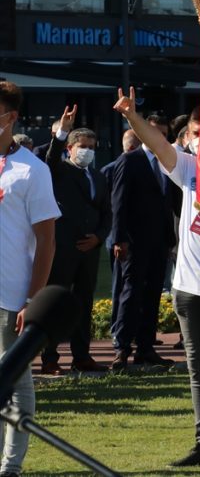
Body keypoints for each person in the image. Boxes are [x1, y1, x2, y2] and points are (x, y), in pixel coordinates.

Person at [113, 93, 200, 470]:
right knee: (198, 370)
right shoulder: (188, 167)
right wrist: (132, 116)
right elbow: (155, 144)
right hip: (188, 288)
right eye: (194, 134)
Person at [0, 82, 59, 477]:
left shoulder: (32, 170)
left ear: (10, 117)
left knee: (15, 385)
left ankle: (11, 466)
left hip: (11, 296)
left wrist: (31, 300)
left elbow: (47, 241)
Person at [39, 105, 111, 375]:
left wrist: (99, 237)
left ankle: (82, 356)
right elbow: (51, 158)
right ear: (70, 148)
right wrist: (62, 133)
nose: (88, 151)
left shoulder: (98, 176)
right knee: (56, 303)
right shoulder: (57, 171)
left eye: (92, 146)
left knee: (84, 303)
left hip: (89, 252)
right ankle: (49, 357)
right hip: (63, 250)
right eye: (82, 146)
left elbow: (106, 212)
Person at [109, 112, 180, 369]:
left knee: (152, 294)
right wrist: (119, 238)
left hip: (160, 240)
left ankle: (146, 348)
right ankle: (122, 347)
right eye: (153, 131)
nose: (158, 136)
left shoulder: (168, 162)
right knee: (131, 292)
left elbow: (173, 202)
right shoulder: (131, 160)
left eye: (163, 132)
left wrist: (174, 238)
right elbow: (119, 202)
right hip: (134, 240)